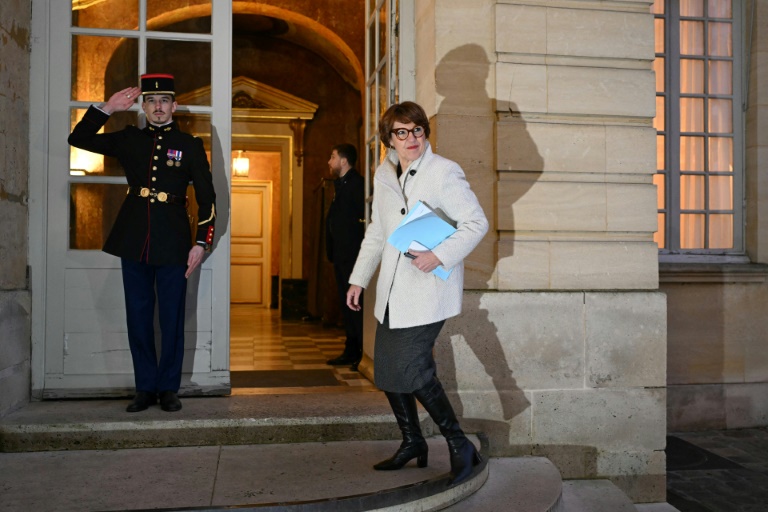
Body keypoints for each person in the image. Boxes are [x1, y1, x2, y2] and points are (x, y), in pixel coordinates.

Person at [346, 102, 488, 486]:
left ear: (426, 132)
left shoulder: (443, 171)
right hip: (393, 291)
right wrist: (359, 278)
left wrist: (437, 254)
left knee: (414, 368)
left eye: (418, 131)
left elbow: (477, 223)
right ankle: (412, 442)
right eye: (402, 132)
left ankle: (461, 448)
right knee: (389, 370)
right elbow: (377, 231)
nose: (411, 139)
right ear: (389, 138)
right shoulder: (383, 173)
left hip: (428, 289)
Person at [68, 74, 216, 413]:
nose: (158, 107)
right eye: (151, 101)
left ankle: (168, 389)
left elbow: (208, 199)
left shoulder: (190, 144)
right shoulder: (129, 139)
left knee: (172, 318)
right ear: (143, 106)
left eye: (164, 101)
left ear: (174, 106)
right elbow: (78, 137)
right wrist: (107, 108)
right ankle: (145, 388)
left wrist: (200, 243)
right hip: (133, 239)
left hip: (175, 242)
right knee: (138, 316)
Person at [324, 144, 366, 370]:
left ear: (343, 161)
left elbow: (360, 223)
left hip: (352, 256)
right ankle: (351, 349)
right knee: (346, 304)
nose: (329, 162)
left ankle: (360, 351)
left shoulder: (356, 184)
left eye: (332, 156)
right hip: (341, 256)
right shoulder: (341, 185)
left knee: (355, 305)